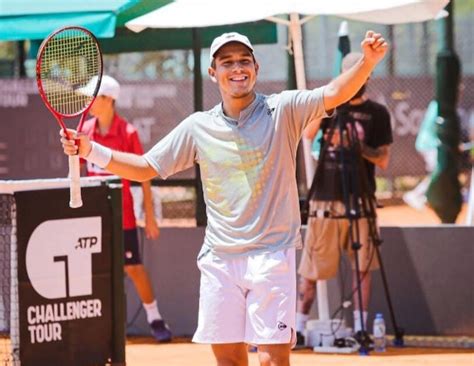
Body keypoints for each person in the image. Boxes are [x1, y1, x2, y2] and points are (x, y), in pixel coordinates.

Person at [62, 32, 388, 365]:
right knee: (229, 360)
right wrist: (91, 150)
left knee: (273, 360)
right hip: (219, 260)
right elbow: (145, 167)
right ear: (213, 72)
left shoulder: (283, 109)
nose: (237, 69)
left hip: (272, 255)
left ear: (256, 68)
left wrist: (367, 62)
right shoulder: (198, 127)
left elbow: (334, 93)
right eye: (227, 62)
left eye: (244, 61)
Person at [296, 52, 393, 346]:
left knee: (362, 266)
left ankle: (361, 327)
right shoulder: (331, 106)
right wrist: (330, 99)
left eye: (361, 74)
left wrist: (356, 145)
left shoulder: (378, 113)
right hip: (324, 198)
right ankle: (297, 329)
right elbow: (307, 134)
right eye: (350, 74)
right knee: (311, 269)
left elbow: (384, 160)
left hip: (361, 199)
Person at [80, 75, 172, 342]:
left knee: (133, 267)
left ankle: (155, 319)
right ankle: (98, 324)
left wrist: (150, 218)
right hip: (92, 218)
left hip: (124, 217)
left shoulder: (128, 133)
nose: (89, 102)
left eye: (94, 97)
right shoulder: (84, 130)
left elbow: (144, 175)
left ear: (109, 100)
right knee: (95, 270)